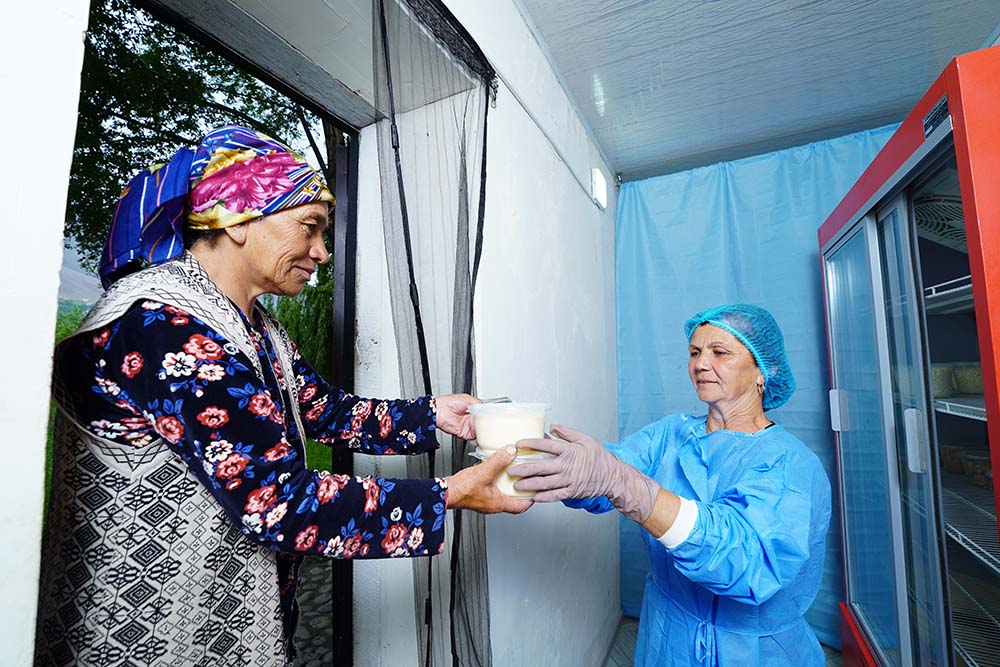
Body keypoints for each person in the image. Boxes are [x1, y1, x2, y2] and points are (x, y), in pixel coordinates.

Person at [35, 125, 529, 666]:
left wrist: (436, 414)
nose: (320, 252)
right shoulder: (162, 326)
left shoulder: (255, 327)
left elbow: (322, 410)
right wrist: (450, 494)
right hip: (143, 633)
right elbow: (279, 502)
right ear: (238, 216)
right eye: (309, 227)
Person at [511, 304, 831, 666]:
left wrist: (635, 490)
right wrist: (516, 447)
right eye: (695, 352)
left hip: (753, 653)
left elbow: (746, 562)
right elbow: (607, 472)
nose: (700, 364)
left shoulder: (790, 465)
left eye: (719, 352)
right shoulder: (672, 434)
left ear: (763, 371)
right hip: (667, 639)